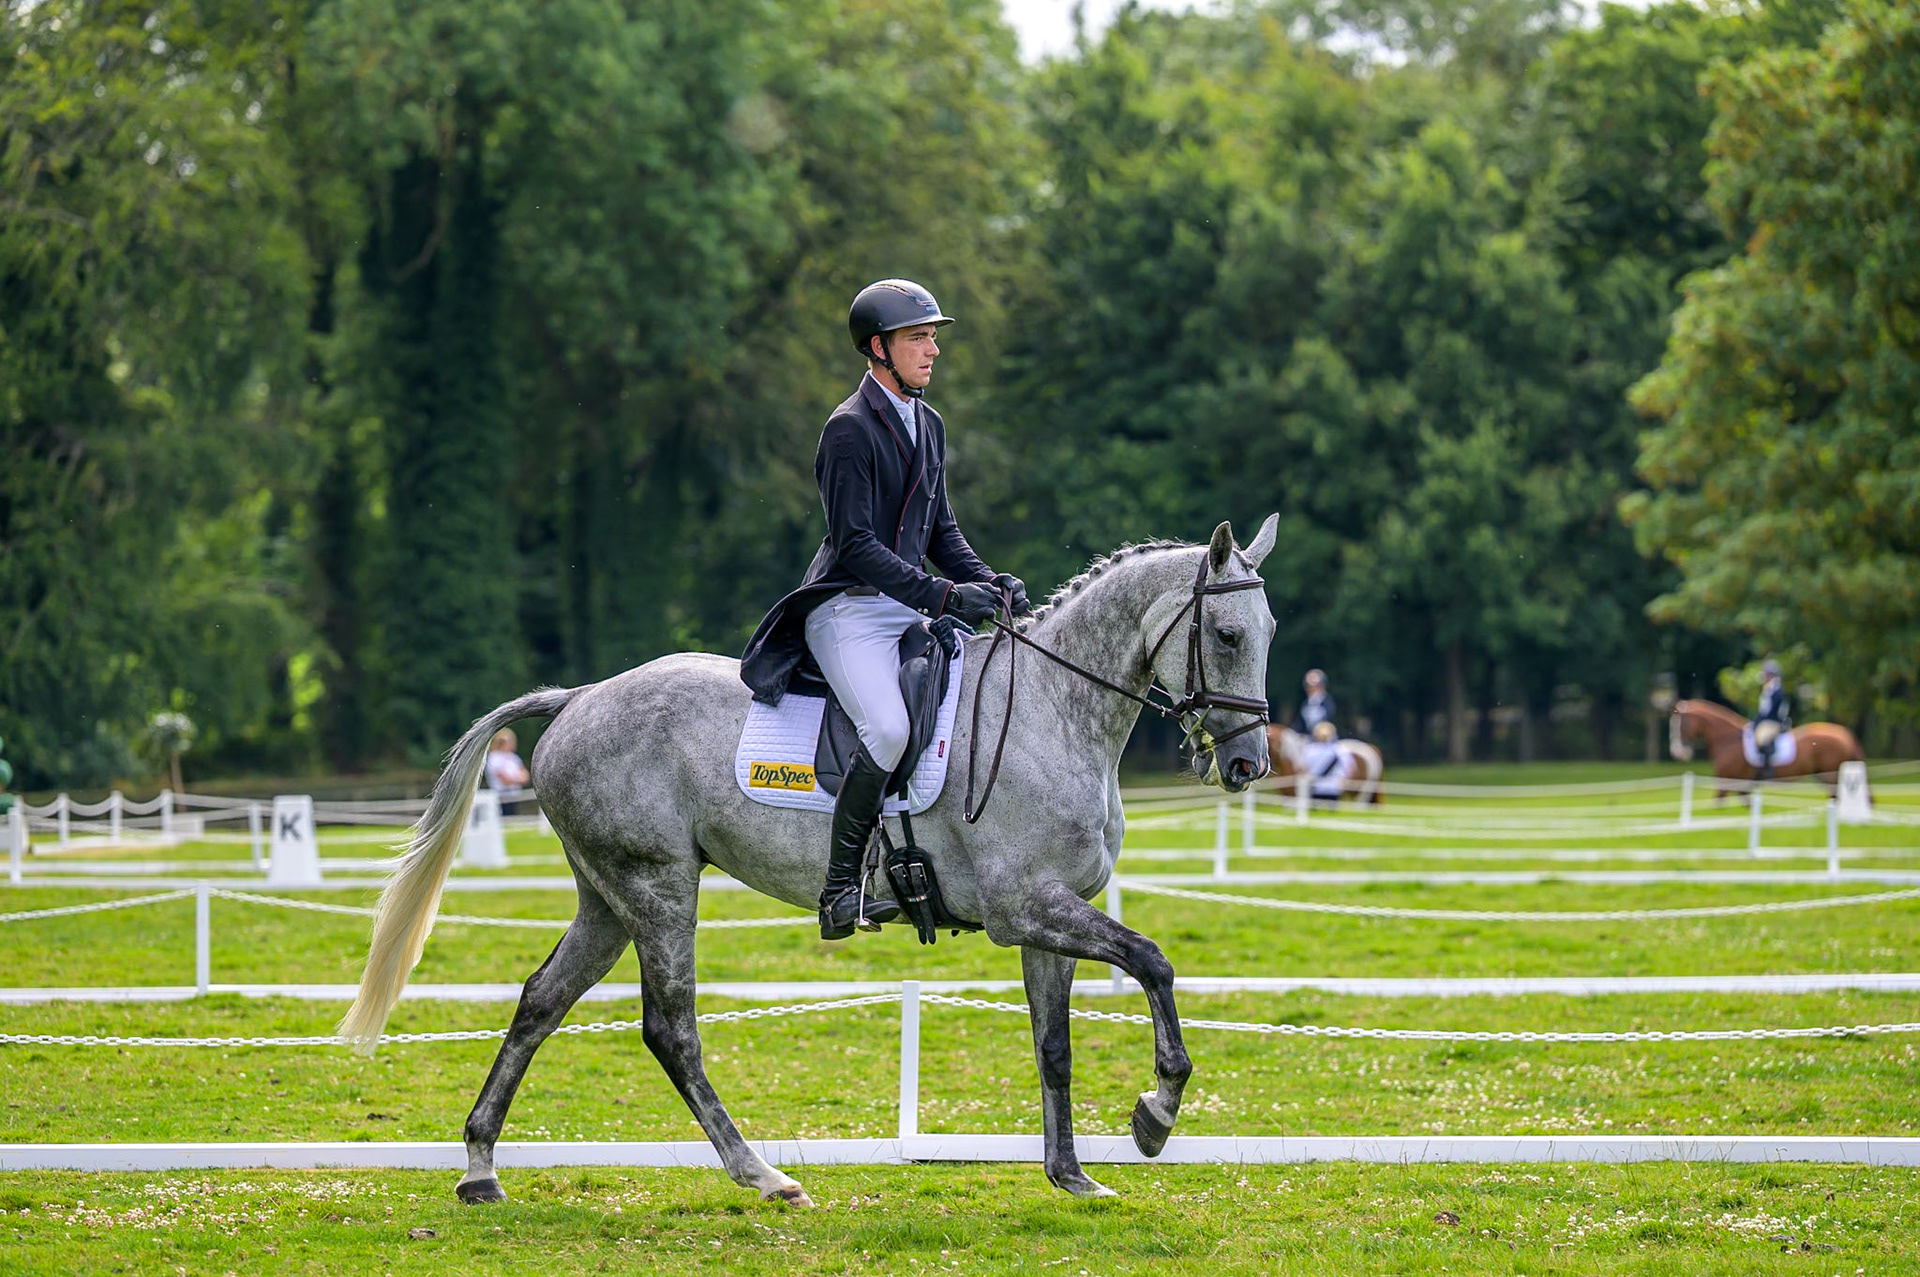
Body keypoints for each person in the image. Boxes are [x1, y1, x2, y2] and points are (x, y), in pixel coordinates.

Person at [739, 279, 1029, 941]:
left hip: (903, 606)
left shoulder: (928, 423)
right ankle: (840, 887)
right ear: (879, 348)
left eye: (932, 337)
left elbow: (939, 530)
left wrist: (990, 582)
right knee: (890, 731)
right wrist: (947, 597)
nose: (932, 349)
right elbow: (858, 545)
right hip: (848, 609)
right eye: (917, 338)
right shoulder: (848, 429)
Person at [1751, 659, 1791, 781]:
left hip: (1773, 722)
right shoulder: (1768, 690)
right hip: (1766, 721)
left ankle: (1768, 770)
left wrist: (1760, 722)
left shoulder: (1777, 692)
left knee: (1762, 738)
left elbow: (1772, 712)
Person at [1299, 719, 1350, 803]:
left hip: (1316, 787)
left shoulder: (1309, 750)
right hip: (1333, 788)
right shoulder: (1340, 750)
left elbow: (1304, 768)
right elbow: (1345, 770)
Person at [483, 729, 529, 814]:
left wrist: (514, 779)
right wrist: (518, 778)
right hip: (501, 796)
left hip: (514, 795)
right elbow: (505, 780)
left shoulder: (514, 758)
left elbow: (525, 776)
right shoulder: (494, 758)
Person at [1291, 669, 1336, 736]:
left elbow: (1329, 720)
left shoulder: (1327, 702)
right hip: (1307, 737)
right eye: (1307, 686)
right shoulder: (1306, 703)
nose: (1310, 689)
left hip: (1324, 737)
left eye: (1314, 686)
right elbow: (1300, 723)